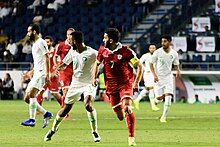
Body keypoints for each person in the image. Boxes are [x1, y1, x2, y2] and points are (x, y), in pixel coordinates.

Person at [44, 31, 101, 142]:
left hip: (89, 83)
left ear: (75, 41)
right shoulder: (72, 52)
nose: (68, 42)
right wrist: (56, 70)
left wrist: (95, 77)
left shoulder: (92, 52)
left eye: (70, 40)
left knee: (88, 105)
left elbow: (98, 63)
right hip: (75, 84)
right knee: (65, 109)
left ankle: (95, 131)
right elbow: (65, 64)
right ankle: (53, 129)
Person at [92, 28, 143, 146]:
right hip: (110, 87)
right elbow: (97, 63)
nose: (102, 40)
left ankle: (131, 138)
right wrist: (94, 78)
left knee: (127, 108)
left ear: (110, 40)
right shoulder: (102, 50)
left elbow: (140, 66)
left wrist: (136, 83)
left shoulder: (126, 51)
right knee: (120, 116)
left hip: (125, 84)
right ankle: (127, 116)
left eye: (105, 38)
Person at [20, 24, 52, 128]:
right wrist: (31, 71)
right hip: (37, 73)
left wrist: (47, 74)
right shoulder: (34, 44)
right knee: (26, 98)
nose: (27, 33)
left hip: (42, 73)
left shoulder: (41, 42)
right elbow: (39, 61)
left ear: (34, 32)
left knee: (32, 94)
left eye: (29, 31)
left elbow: (47, 57)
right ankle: (46, 114)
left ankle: (32, 119)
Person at [149, 35, 180, 123]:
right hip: (158, 78)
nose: (163, 43)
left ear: (170, 42)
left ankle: (163, 117)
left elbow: (176, 63)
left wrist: (178, 70)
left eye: (165, 41)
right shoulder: (158, 52)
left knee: (168, 97)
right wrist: (154, 75)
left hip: (168, 77)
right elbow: (151, 64)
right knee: (160, 99)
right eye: (162, 41)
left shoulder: (174, 53)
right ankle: (156, 100)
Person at [53, 28, 75, 120]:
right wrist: (56, 66)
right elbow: (55, 56)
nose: (69, 36)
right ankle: (65, 113)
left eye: (71, 34)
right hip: (64, 72)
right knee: (65, 92)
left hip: (75, 72)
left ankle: (65, 110)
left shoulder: (77, 45)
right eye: (68, 34)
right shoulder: (61, 45)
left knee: (72, 94)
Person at [36, 36, 62, 108]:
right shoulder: (43, 52)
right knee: (40, 91)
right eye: (45, 42)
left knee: (55, 94)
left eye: (48, 42)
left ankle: (64, 109)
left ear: (51, 42)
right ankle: (39, 109)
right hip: (44, 75)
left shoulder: (55, 51)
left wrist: (54, 72)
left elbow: (59, 63)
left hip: (53, 76)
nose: (46, 44)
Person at [133, 43, 160, 111]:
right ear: (149, 49)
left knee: (147, 88)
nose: (152, 49)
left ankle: (137, 100)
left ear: (155, 49)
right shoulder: (146, 55)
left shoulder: (157, 56)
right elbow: (139, 62)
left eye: (153, 48)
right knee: (151, 88)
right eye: (151, 48)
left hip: (154, 74)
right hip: (148, 74)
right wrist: (145, 69)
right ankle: (153, 106)